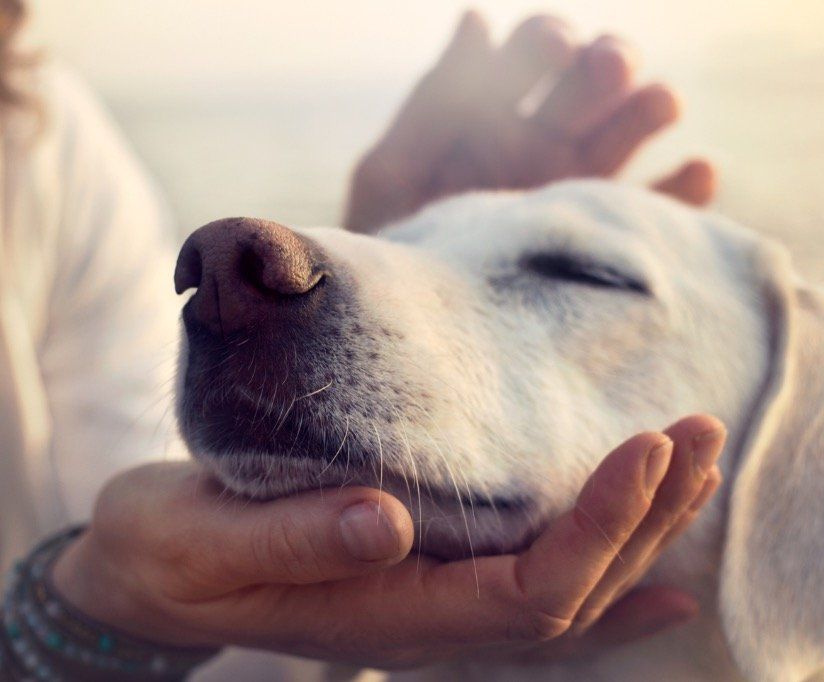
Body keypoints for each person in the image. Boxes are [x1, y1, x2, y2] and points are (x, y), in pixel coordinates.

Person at [0, 6, 722, 680]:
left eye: (579, 272)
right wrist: (85, 609)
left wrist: (397, 283)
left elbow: (133, 510)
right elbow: (123, 549)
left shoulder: (42, 129)